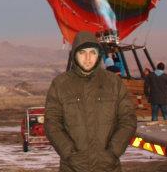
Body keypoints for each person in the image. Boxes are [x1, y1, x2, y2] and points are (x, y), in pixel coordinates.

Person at [45, 31, 137, 172]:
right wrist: (70, 155)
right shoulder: (60, 85)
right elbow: (52, 124)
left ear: (98, 55)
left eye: (92, 52)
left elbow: (128, 120)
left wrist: (112, 154)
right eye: (82, 52)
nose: (88, 58)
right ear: (75, 54)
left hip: (108, 167)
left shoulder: (113, 83)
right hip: (72, 167)